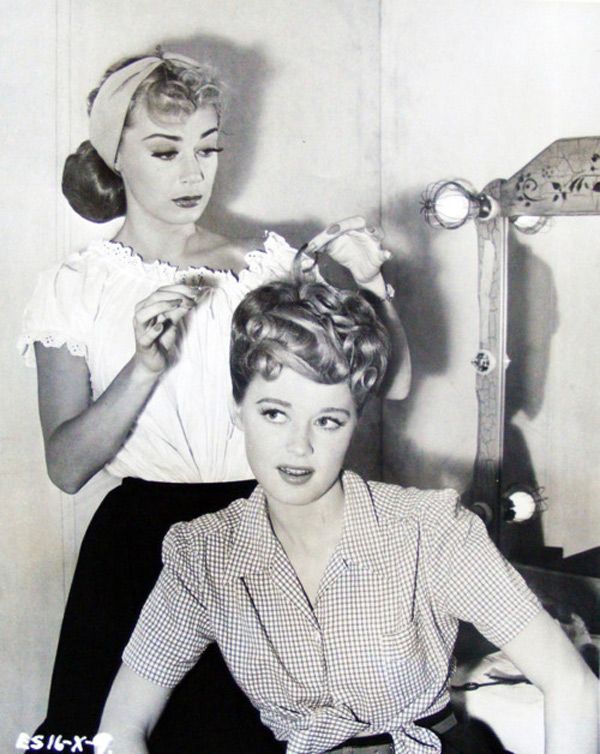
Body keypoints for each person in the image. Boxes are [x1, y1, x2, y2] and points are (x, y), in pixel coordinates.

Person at [18, 50, 410, 752]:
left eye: (208, 148)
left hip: (266, 537)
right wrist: (143, 367)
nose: (193, 174)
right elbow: (66, 467)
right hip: (139, 550)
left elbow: (390, 386)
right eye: (166, 151)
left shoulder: (267, 268)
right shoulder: (74, 288)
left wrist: (370, 288)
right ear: (116, 157)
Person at [98, 270, 598, 754]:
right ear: (238, 408)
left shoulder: (433, 532)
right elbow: (120, 726)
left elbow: (573, 685)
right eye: (274, 413)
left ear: (355, 421)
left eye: (328, 420)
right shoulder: (204, 555)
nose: (299, 447)